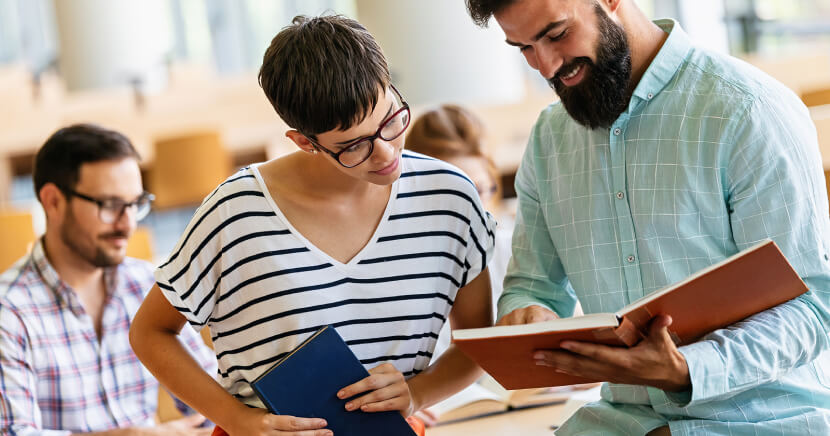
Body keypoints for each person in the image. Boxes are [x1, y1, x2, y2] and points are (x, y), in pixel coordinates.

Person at [464, 0, 830, 434]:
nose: (545, 66)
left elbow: (812, 308)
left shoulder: (748, 110)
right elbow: (532, 286)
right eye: (523, 47)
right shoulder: (549, 140)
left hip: (761, 420)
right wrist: (528, 312)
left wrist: (687, 368)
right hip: (621, 421)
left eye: (557, 34)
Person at [128, 14, 494, 436]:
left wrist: (419, 394)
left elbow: (478, 345)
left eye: (391, 120)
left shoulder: (450, 197)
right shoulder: (235, 211)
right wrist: (239, 420)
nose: (385, 153)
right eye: (353, 145)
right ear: (304, 141)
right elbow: (150, 332)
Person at [0, 124, 217, 435]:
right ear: (53, 201)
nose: (128, 224)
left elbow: (214, 396)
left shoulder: (144, 283)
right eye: (111, 205)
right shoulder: (9, 311)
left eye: (135, 204)